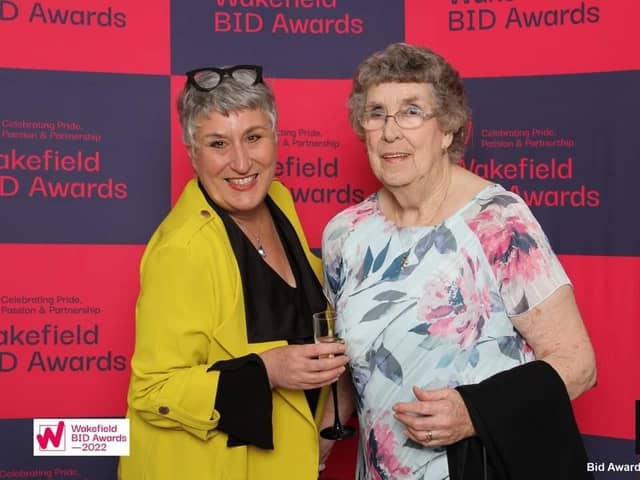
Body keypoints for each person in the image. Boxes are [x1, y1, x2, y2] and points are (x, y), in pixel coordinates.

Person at [321, 43, 597, 479]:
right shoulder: (345, 234)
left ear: (448, 129)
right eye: (376, 113)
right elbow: (354, 370)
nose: (390, 132)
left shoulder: (498, 220)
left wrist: (473, 412)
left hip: (481, 468)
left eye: (412, 111)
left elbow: (578, 365)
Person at [118, 64, 349, 480]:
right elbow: (152, 390)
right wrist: (269, 369)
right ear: (193, 152)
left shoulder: (278, 200)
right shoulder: (183, 249)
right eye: (218, 143)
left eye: (254, 137)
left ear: (275, 139)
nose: (241, 162)